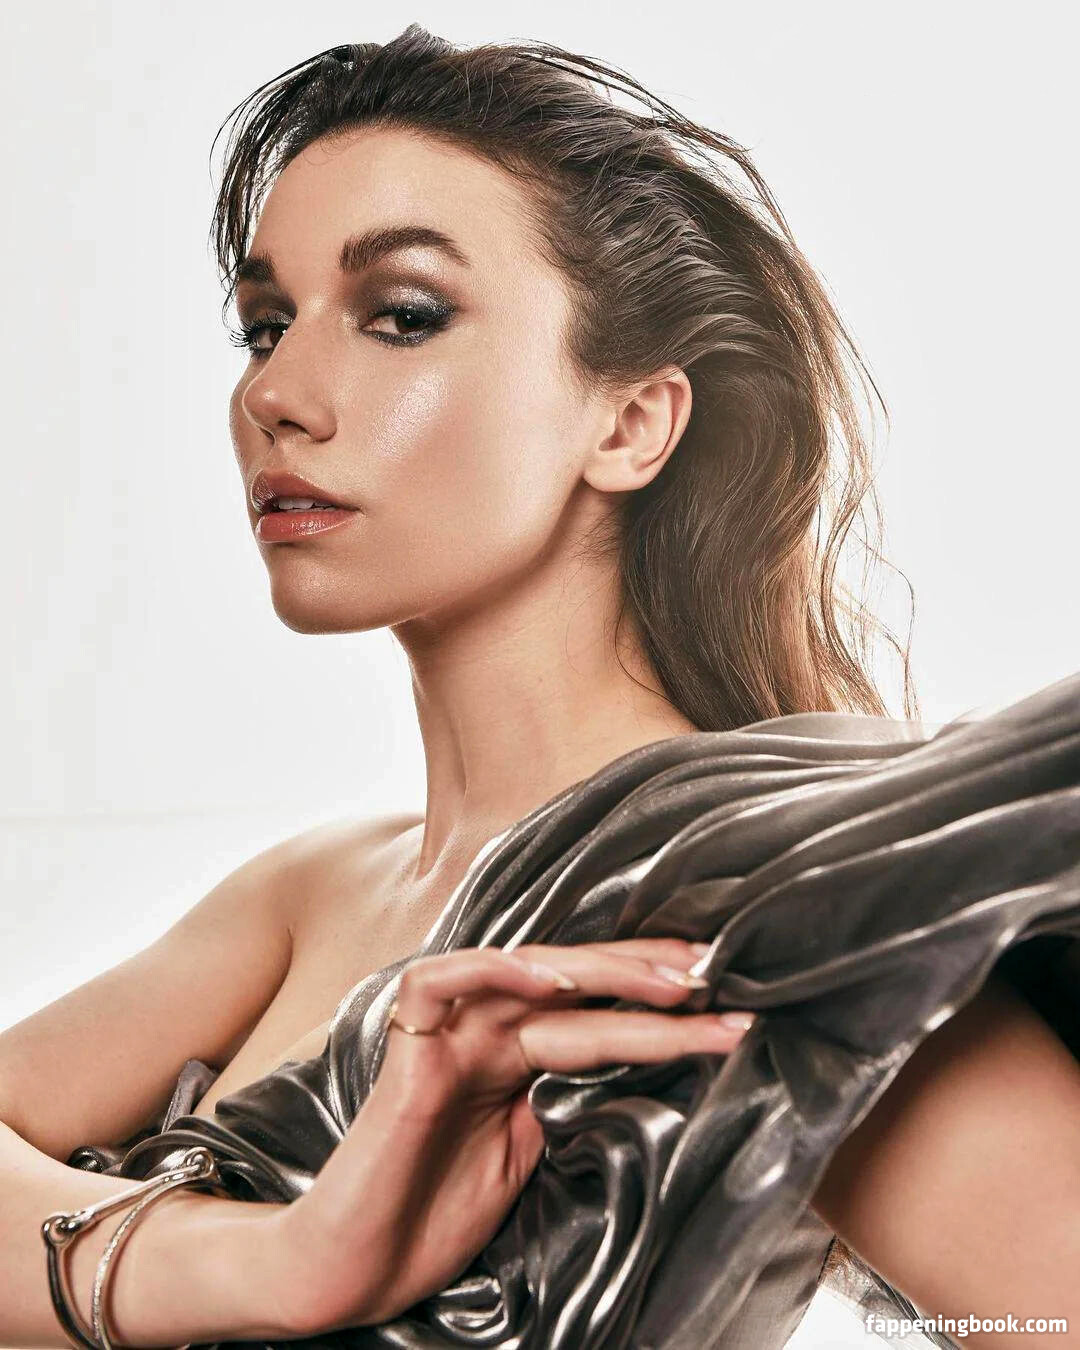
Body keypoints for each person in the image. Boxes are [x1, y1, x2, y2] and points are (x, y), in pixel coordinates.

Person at [2, 24, 1077, 1350]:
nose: (275, 392)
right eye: (265, 325)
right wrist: (279, 1263)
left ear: (630, 423)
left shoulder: (752, 907)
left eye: (403, 316)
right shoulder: (316, 889)